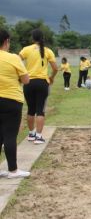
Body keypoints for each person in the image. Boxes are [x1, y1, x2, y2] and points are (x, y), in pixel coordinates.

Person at [0, 29, 31, 178]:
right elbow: (25, 80)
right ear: (6, 41)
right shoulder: (13, 58)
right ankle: (13, 170)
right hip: (11, 100)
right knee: (10, 135)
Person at [19, 29, 58, 145]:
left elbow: (16, 60)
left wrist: (22, 73)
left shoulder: (26, 49)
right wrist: (51, 77)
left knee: (30, 109)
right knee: (40, 109)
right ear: (43, 38)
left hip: (28, 82)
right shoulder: (48, 51)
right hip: (42, 83)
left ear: (32, 38)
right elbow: (55, 68)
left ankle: (31, 134)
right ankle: (38, 136)